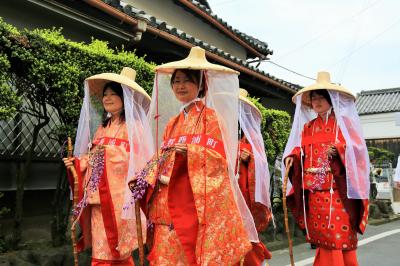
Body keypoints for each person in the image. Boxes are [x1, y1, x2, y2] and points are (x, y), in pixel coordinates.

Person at [129, 47, 255, 265]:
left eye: (187, 80)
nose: (180, 86)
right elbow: (162, 157)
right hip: (165, 202)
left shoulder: (212, 119)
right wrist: (144, 176)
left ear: (201, 84)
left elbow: (220, 162)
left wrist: (191, 154)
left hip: (193, 205)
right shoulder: (172, 123)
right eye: (176, 81)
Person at [63, 67, 153, 265]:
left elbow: (142, 161)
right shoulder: (103, 128)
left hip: (121, 200)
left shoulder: (135, 127)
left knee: (116, 252)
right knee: (106, 252)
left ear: (125, 98)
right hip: (99, 198)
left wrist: (107, 154)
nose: (107, 98)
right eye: (105, 94)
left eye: (113, 94)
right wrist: (77, 163)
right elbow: (92, 156)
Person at [283, 72, 369, 265]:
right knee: (323, 237)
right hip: (314, 191)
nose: (317, 101)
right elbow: (301, 150)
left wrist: (339, 150)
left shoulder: (343, 125)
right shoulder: (307, 128)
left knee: (338, 235)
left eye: (321, 97)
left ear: (331, 99)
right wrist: (292, 157)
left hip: (337, 191)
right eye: (314, 98)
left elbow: (358, 150)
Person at [237, 89, 272, 265]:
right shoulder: (221, 128)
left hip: (243, 191)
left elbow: (262, 163)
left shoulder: (250, 137)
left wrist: (249, 157)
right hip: (224, 190)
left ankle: (253, 260)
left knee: (245, 231)